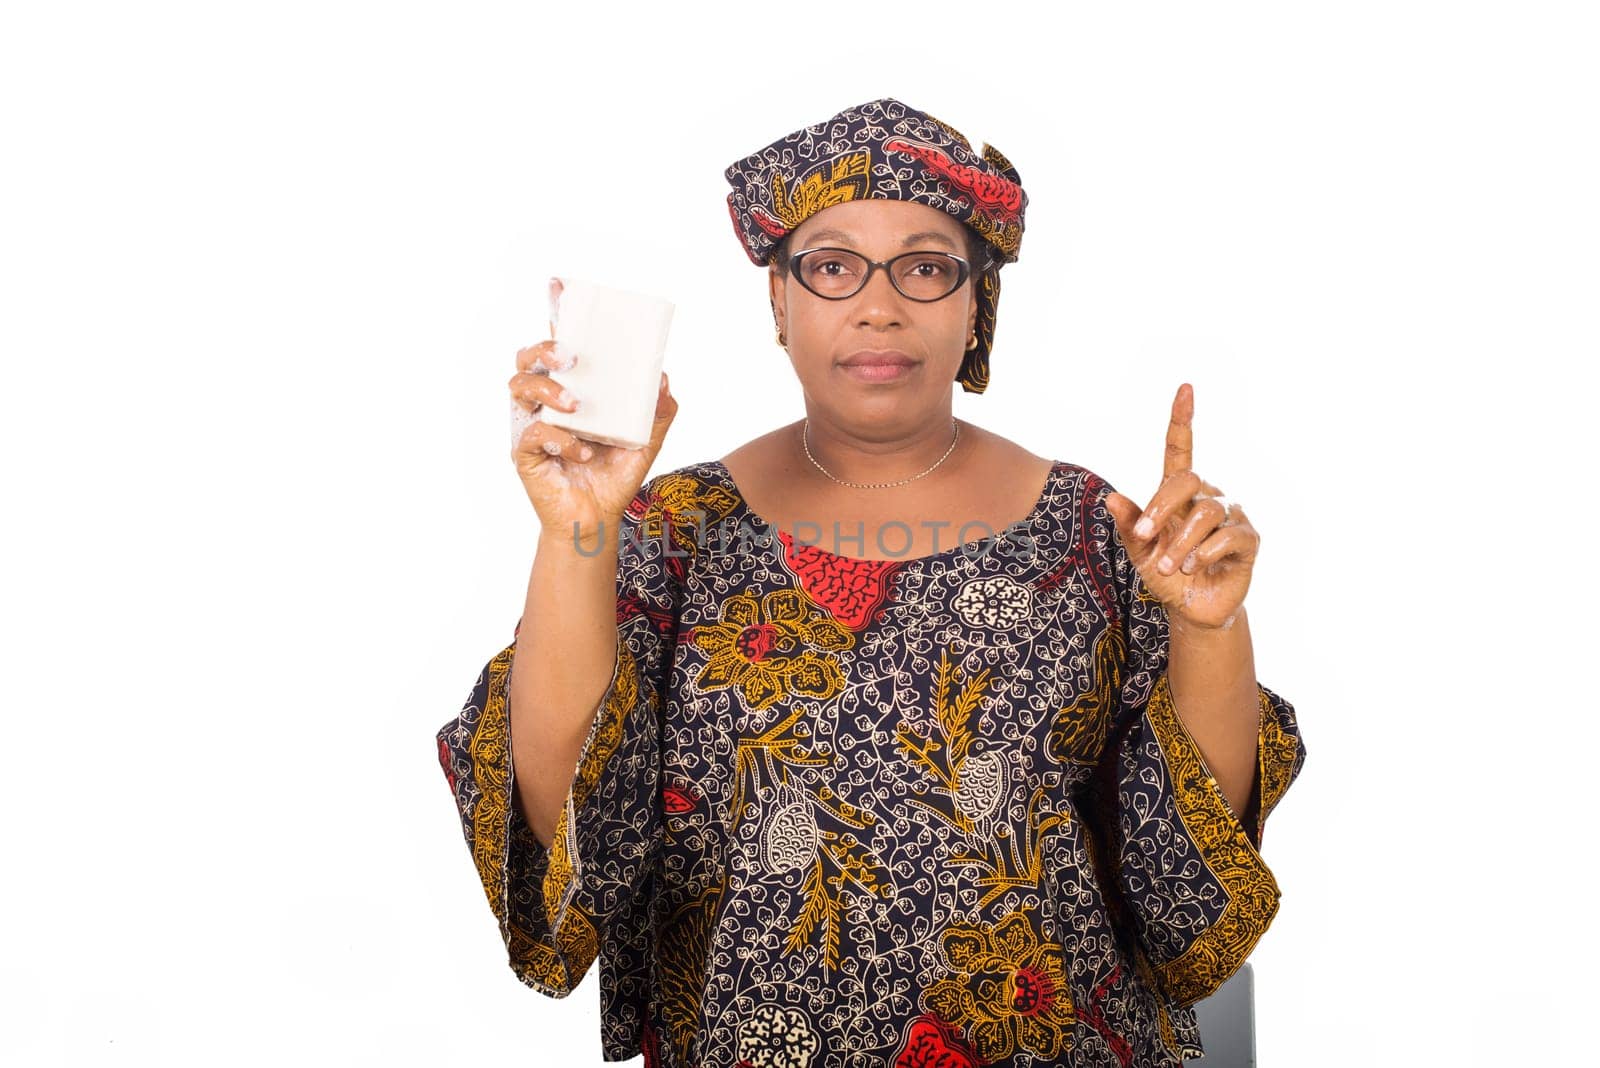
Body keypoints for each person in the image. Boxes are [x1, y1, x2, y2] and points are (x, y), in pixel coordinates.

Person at [436, 97, 1307, 1068]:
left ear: (976, 301)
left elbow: (1190, 875)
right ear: (779, 298)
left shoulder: (1092, 532)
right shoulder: (669, 531)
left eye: (926, 267)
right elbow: (568, 838)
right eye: (833, 265)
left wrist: (1209, 629)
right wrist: (578, 533)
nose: (878, 305)